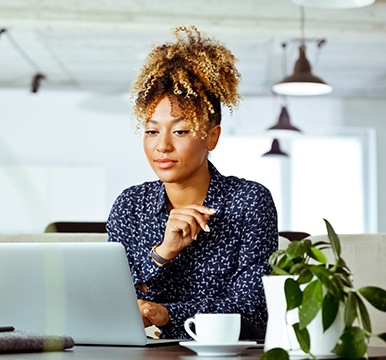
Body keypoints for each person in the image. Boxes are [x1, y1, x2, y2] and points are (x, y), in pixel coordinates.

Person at [106, 26, 278, 340]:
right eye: (151, 131)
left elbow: (254, 312)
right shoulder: (130, 206)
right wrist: (162, 253)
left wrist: (168, 313)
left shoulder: (249, 201)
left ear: (212, 137)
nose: (162, 146)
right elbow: (113, 304)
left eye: (181, 131)